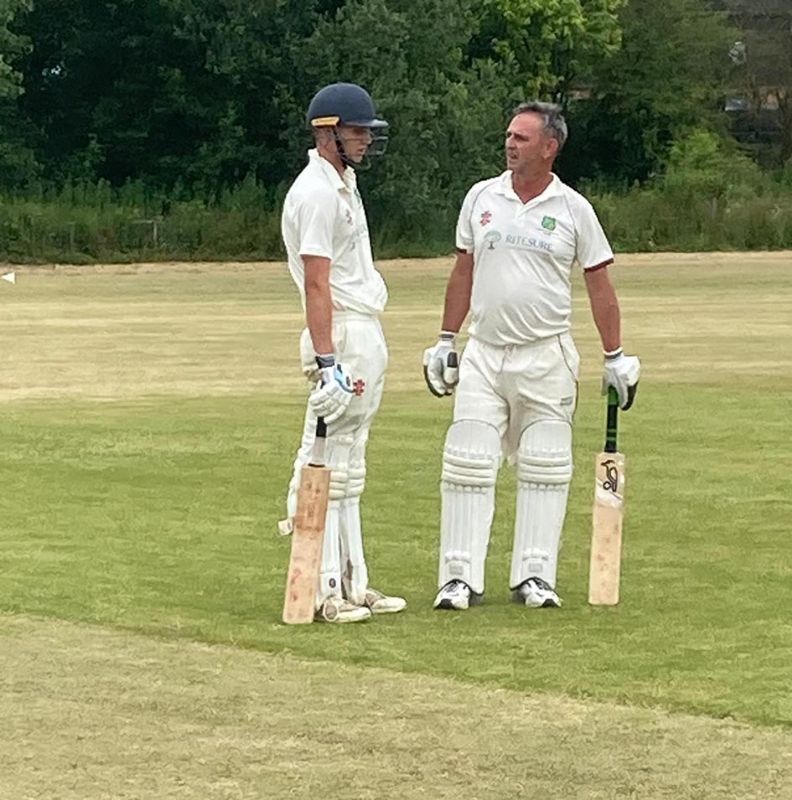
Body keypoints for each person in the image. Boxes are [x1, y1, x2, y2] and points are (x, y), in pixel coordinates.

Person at [422, 101, 640, 611]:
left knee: (545, 465)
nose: (510, 143)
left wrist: (615, 356)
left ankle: (534, 576)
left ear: (550, 147)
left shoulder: (573, 210)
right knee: (468, 461)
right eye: (508, 135)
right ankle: (458, 577)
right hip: (485, 352)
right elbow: (463, 272)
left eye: (521, 137)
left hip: (547, 357)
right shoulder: (481, 197)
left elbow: (600, 285)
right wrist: (445, 339)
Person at [279, 82, 406, 623]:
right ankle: (321, 588)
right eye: (357, 131)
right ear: (326, 132)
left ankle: (355, 581)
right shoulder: (314, 192)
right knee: (322, 457)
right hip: (342, 336)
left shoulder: (344, 184)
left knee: (351, 462)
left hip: (364, 329)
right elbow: (316, 283)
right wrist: (328, 363)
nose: (365, 141)